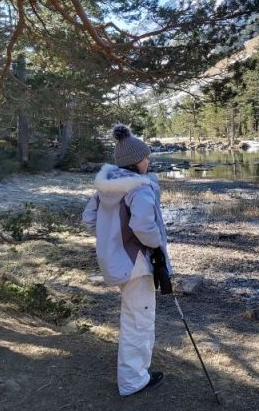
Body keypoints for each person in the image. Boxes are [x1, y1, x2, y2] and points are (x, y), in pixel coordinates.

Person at [82, 124, 172, 396]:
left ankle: (135, 374)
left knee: (133, 317)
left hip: (117, 262)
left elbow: (89, 221)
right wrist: (155, 248)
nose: (149, 161)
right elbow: (144, 227)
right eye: (146, 157)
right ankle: (134, 381)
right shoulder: (140, 188)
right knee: (139, 321)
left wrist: (113, 236)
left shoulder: (107, 187)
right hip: (137, 265)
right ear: (136, 161)